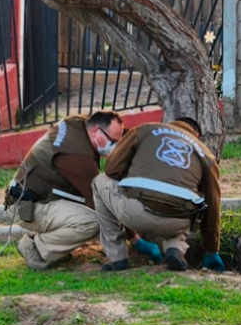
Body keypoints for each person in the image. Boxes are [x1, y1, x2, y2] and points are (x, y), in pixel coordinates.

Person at [93, 117, 224, 273]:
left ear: (170, 126)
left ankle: (118, 258)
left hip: (136, 214)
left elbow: (112, 170)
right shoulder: (207, 155)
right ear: (195, 134)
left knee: (99, 180)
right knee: (190, 206)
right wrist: (212, 250)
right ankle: (175, 248)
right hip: (177, 223)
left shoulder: (145, 130)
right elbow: (213, 205)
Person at [6, 111, 123, 270]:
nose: (116, 145)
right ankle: (36, 248)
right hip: (23, 207)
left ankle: (55, 244)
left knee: (89, 211)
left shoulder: (78, 125)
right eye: (113, 141)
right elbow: (103, 202)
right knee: (93, 221)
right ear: (96, 131)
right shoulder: (76, 156)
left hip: (33, 195)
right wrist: (136, 238)